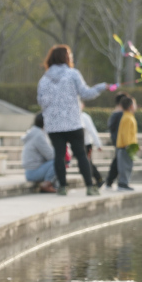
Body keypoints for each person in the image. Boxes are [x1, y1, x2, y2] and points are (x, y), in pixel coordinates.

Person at [37, 44, 108, 196]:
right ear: (65, 58)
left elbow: (41, 102)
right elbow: (86, 94)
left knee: (59, 155)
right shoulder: (73, 74)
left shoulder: (44, 79)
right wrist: (100, 87)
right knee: (81, 154)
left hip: (54, 125)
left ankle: (62, 187)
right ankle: (90, 186)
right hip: (73, 122)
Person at [22, 113, 56, 193]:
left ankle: (51, 184)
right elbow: (51, 156)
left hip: (30, 171)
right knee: (58, 161)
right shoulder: (39, 136)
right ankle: (47, 184)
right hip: (34, 172)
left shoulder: (33, 132)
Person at [105, 92, 129, 189]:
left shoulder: (115, 114)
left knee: (117, 161)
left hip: (117, 141)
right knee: (119, 161)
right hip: (119, 141)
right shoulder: (119, 114)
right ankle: (112, 181)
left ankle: (109, 181)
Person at [116, 96, 138, 191]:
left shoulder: (128, 116)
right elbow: (126, 134)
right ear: (130, 106)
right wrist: (129, 145)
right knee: (126, 166)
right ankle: (123, 183)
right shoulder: (128, 118)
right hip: (126, 146)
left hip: (128, 146)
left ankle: (124, 182)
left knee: (127, 165)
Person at [80, 101, 104, 187]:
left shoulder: (85, 117)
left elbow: (92, 131)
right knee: (85, 163)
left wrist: (98, 144)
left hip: (86, 145)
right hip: (78, 146)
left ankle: (98, 179)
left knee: (88, 163)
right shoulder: (71, 117)